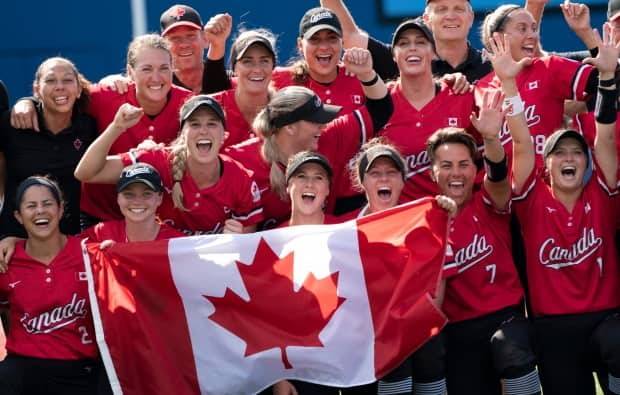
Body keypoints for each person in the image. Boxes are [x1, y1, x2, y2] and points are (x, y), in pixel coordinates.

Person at [490, 25, 620, 395]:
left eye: (576, 152)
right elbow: (519, 139)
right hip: (553, 328)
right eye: (559, 152)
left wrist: (607, 75)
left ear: (587, 161)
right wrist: (509, 85)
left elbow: (606, 135)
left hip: (606, 321)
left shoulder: (603, 193)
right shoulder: (531, 200)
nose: (568, 158)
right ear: (546, 166)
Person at [11, 34, 193, 226]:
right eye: (146, 68)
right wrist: (28, 102)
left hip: (158, 222)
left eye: (164, 68)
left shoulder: (188, 104)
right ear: (130, 72)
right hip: (98, 219)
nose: (156, 77)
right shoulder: (105, 97)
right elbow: (64, 96)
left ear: (173, 69)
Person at [425, 91, 541, 394]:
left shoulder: (486, 201)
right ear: (431, 172)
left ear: (475, 170)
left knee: (510, 346)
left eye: (464, 164)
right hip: (458, 330)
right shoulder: (424, 220)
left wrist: (491, 139)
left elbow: (500, 179)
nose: (457, 173)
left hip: (506, 317)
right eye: (446, 165)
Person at [225, 47, 392, 229]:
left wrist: (367, 74)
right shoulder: (241, 161)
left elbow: (381, 109)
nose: (322, 125)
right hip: (273, 254)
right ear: (289, 126)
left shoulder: (328, 135)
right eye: (316, 120)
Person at [345, 139, 453, 395]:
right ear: (362, 183)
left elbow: (436, 297)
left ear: (403, 181)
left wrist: (403, 332)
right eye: (375, 173)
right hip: (364, 345)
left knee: (426, 350)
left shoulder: (426, 225)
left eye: (392, 172)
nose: (384, 179)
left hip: (419, 339)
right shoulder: (345, 235)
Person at [74, 95, 263, 236]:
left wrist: (239, 240)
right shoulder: (157, 160)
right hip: (161, 271)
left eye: (212, 124)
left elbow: (248, 245)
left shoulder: (241, 179)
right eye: (195, 124)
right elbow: (86, 173)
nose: (203, 130)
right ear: (182, 134)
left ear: (224, 136)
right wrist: (116, 127)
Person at [0, 177, 102, 394]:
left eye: (47, 204)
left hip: (80, 368)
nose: (40, 211)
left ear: (61, 209)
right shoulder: (6, 261)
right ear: (18, 216)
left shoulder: (89, 252)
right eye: (31, 206)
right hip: (23, 368)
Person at [476, 4, 600, 168]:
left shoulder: (549, 67)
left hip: (549, 184)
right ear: (498, 38)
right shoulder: (480, 88)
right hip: (503, 188)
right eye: (522, 29)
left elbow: (608, 80)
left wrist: (585, 33)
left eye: (534, 29)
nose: (532, 35)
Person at [377, 17, 478, 203]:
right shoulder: (380, 103)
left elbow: (482, 163)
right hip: (402, 220)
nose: (412, 48)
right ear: (393, 55)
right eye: (403, 43)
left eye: (421, 42)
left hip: (455, 215)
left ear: (434, 52)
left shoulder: (461, 95)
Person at [0, 57, 97, 238]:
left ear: (78, 90)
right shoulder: (12, 123)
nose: (60, 86)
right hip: (15, 242)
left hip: (69, 242)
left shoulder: (89, 127)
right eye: (51, 80)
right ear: (37, 90)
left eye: (67, 80)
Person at [321, 0, 492, 83]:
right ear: (426, 19)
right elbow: (350, 36)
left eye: (459, 9)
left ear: (471, 18)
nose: (450, 16)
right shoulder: (405, 60)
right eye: (441, 9)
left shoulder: (491, 67)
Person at [210, 29, 277, 148]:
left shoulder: (286, 111)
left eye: (264, 61)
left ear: (273, 66)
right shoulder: (211, 107)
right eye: (247, 62)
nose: (257, 69)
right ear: (234, 68)